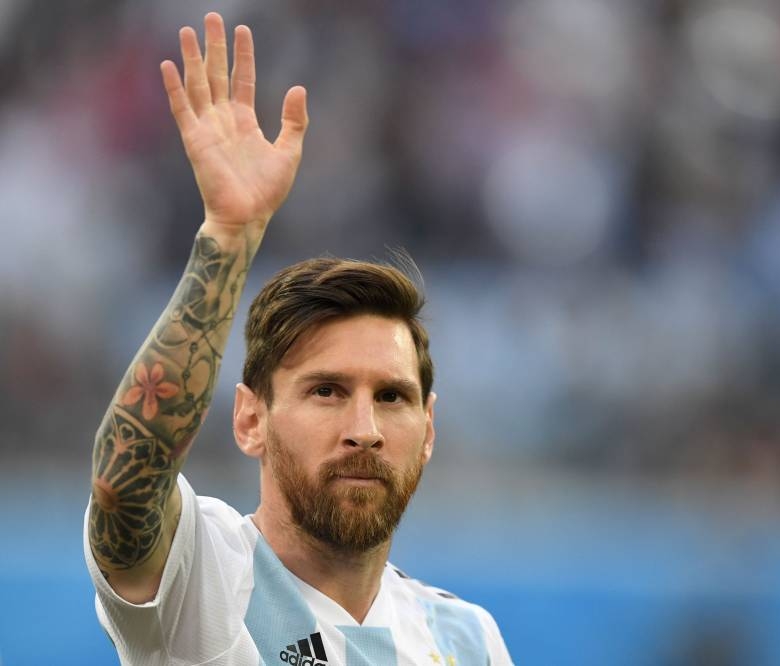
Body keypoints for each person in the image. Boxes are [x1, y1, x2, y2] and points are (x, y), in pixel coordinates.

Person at [83, 13, 513, 666]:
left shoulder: (466, 640)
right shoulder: (200, 576)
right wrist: (228, 237)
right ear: (252, 419)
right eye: (327, 390)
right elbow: (124, 486)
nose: (364, 428)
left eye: (392, 397)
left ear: (428, 431)